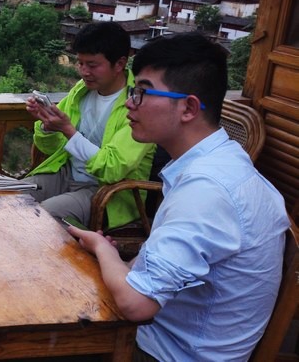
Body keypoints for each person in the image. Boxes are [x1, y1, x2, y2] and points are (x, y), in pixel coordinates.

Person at [67, 32, 289, 361]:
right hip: (164, 336)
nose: (130, 102)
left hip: (165, 351)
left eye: (142, 92)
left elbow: (135, 304)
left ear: (188, 108)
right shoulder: (223, 161)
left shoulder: (206, 190)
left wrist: (102, 249)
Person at [24, 21, 155, 228]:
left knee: (46, 216)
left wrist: (68, 130)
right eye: (80, 63)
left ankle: (78, 255)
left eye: (92, 65)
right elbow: (49, 148)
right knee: (11, 194)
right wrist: (47, 126)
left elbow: (113, 170)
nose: (84, 71)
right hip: (66, 173)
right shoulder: (82, 90)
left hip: (106, 191)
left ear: (120, 64)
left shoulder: (138, 106)